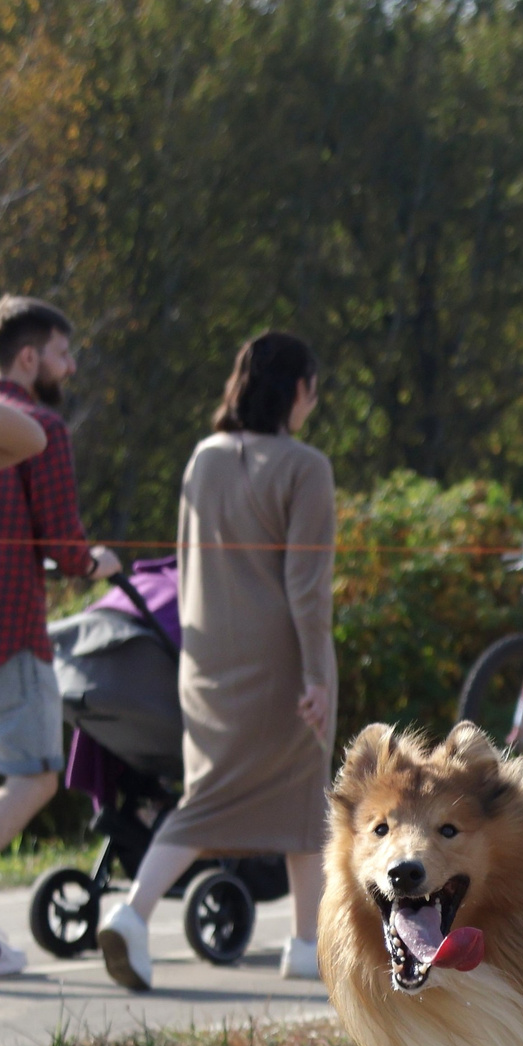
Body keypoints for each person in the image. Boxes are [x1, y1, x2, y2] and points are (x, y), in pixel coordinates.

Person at [97, 333, 334, 991]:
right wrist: (317, 672)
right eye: (312, 389)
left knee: (211, 799)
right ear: (295, 391)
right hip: (285, 662)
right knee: (300, 801)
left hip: (205, 661)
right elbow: (307, 583)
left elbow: (188, 557)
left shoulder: (203, 458)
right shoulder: (305, 467)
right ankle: (301, 944)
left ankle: (140, 911)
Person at [0, 296, 115, 977]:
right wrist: (98, 563)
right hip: (6, 633)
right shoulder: (37, 427)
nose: (70, 367)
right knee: (33, 776)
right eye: (63, 353)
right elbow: (65, 544)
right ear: (29, 358)